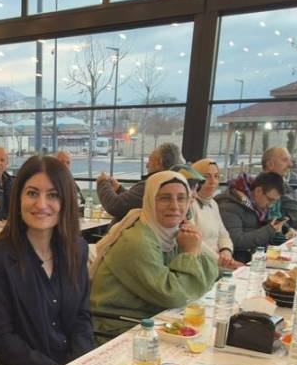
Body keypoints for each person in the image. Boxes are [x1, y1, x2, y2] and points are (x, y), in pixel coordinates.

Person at [0, 155, 93, 365]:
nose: (41, 204)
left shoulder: (77, 249)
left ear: (66, 201)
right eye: (32, 193)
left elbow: (82, 317)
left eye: (53, 195)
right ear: (18, 198)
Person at [90, 171, 219, 335]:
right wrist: (191, 253)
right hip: (118, 328)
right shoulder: (136, 241)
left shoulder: (174, 233)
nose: (174, 206)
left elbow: (212, 274)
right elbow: (174, 295)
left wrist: (196, 246)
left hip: (153, 320)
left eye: (181, 198)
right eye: (165, 198)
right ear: (150, 201)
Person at [95, 142, 182, 221]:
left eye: (150, 160)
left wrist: (103, 182)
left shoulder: (152, 185)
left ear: (158, 163)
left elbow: (115, 206)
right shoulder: (171, 184)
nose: (147, 165)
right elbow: (133, 202)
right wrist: (119, 189)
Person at [216, 170, 288, 263]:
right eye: (270, 200)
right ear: (258, 191)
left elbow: (255, 231)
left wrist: (281, 233)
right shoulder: (229, 206)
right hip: (236, 262)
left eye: (275, 201)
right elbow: (236, 241)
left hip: (254, 259)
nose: (271, 205)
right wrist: (269, 230)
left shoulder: (256, 207)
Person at [184, 160, 239, 270]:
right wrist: (220, 261)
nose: (213, 181)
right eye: (206, 177)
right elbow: (195, 241)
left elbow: (223, 234)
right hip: (201, 264)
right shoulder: (187, 206)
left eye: (216, 176)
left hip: (218, 262)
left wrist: (226, 251)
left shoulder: (213, 204)